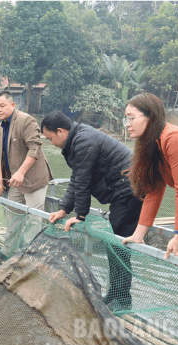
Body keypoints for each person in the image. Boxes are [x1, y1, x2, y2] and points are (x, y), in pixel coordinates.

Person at [43, 111, 143, 312]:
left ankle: (122, 301)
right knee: (114, 245)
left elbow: (83, 181)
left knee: (118, 246)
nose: (51, 142)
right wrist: (64, 209)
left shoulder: (84, 141)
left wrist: (80, 216)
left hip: (129, 192)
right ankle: (115, 295)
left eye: (50, 138)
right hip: (122, 193)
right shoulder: (79, 138)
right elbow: (77, 178)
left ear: (61, 131)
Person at [120, 93, 178, 335]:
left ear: (150, 117)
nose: (128, 124)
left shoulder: (176, 139)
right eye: (125, 119)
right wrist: (138, 234)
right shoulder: (152, 145)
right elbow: (154, 191)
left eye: (131, 118)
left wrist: (177, 236)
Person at [0, 90, 53, 260]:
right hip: (15, 181)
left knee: (34, 219)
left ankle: (30, 255)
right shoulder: (0, 128)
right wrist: (1, 183)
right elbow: (3, 158)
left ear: (12, 105)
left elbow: (35, 148)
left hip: (34, 180)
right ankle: (7, 251)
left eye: (2, 105)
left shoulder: (26, 120)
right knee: (12, 215)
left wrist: (21, 172)